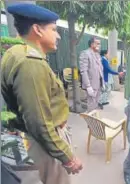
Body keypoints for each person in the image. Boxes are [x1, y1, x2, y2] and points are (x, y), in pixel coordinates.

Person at [1, 4, 82, 184]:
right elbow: (39, 124)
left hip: (37, 139)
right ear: (37, 30)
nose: (58, 35)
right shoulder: (31, 63)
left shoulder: (16, 53)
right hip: (44, 143)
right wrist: (68, 157)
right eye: (53, 29)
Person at [79, 37, 103, 112]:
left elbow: (99, 70)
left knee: (95, 105)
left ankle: (95, 121)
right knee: (91, 106)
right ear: (92, 44)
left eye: (100, 43)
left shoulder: (97, 55)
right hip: (91, 85)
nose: (99, 45)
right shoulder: (85, 53)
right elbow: (84, 71)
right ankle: (91, 123)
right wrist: (88, 86)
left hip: (99, 84)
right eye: (97, 43)